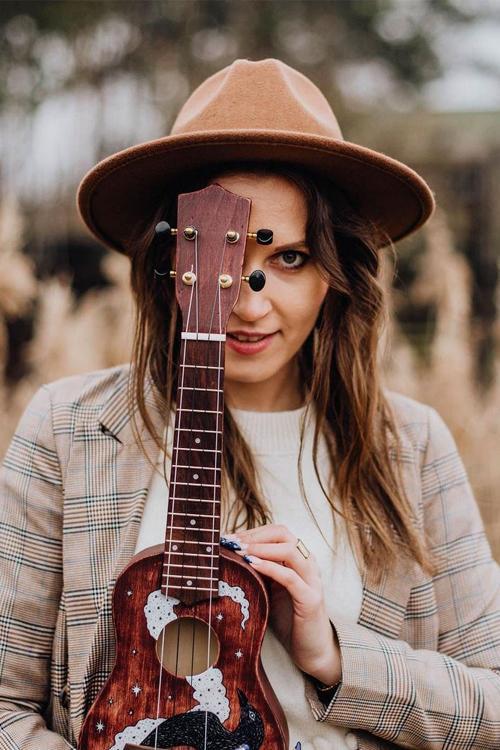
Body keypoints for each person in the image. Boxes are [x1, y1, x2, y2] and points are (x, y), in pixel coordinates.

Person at [0, 58, 499, 750]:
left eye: (288, 258)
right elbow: (3, 704)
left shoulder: (409, 446)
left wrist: (333, 654)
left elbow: (493, 702)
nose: (247, 301)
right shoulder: (70, 429)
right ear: (174, 264)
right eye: (219, 259)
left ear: (336, 271)